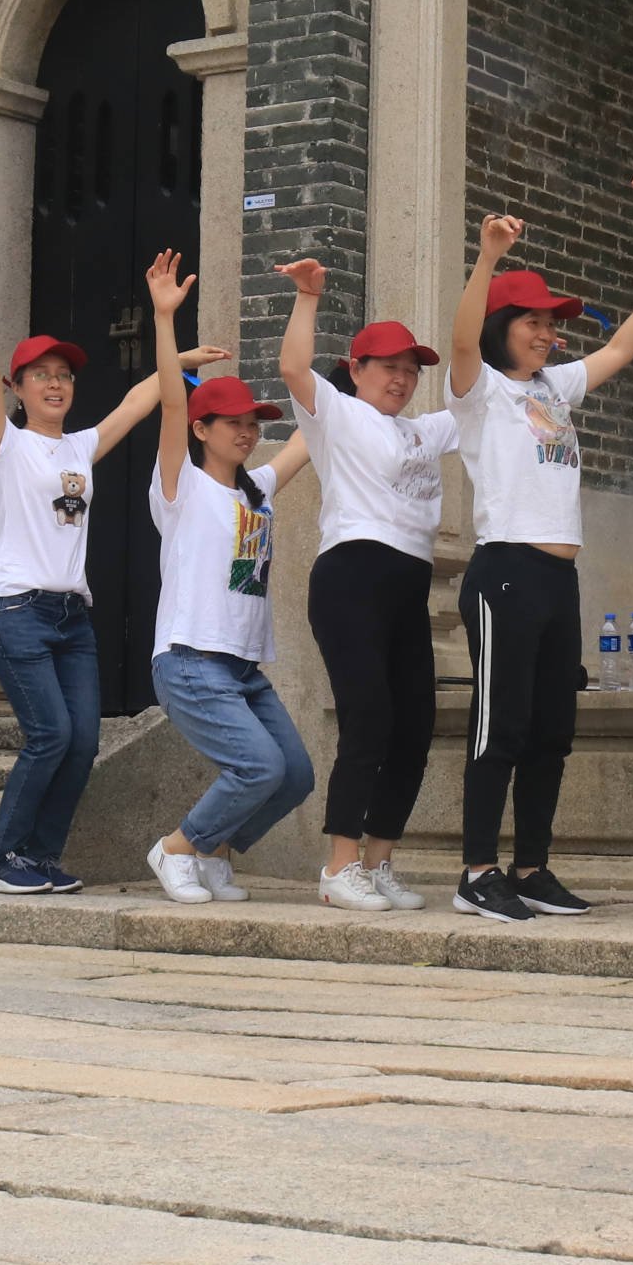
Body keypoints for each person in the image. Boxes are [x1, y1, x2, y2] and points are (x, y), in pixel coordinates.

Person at [0, 246, 230, 896]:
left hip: (70, 618)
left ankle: (40, 859)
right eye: (41, 376)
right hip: (15, 612)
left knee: (81, 741)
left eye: (65, 376)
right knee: (51, 733)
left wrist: (179, 349)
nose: (55, 384)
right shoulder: (6, 444)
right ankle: (4, 860)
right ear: (20, 391)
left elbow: (145, 397)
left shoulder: (81, 446)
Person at [444, 211, 633, 922]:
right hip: (506, 571)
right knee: (502, 726)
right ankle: (477, 871)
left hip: (559, 578)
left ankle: (531, 868)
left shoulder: (551, 388)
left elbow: (616, 353)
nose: (548, 333)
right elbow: (459, 337)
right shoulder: (480, 388)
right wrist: (487, 257)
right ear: (502, 325)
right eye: (534, 321)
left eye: (553, 323)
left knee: (552, 730)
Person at [275, 256, 460, 913]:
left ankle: (379, 862)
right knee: (369, 718)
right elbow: (294, 369)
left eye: (411, 370)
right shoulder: (336, 415)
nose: (403, 379)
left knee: (415, 725)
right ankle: (339, 865)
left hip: (408, 586)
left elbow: (479, 401)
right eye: (389, 367)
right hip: (351, 577)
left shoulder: (422, 429)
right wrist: (307, 297)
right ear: (357, 371)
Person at [142, 250, 317, 904]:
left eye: (253, 423)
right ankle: (177, 847)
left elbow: (307, 438)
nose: (247, 432)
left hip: (243, 668)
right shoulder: (180, 488)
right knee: (257, 766)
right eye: (233, 423)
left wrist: (342, 389)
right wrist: (166, 322)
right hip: (191, 660)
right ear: (202, 427)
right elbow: (165, 406)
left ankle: (212, 850)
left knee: (293, 776)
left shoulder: (256, 491)